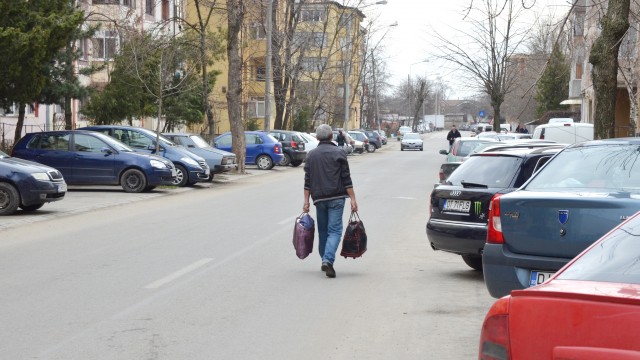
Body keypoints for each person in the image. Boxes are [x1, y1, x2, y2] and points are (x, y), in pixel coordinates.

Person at [303, 124, 358, 278]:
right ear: (332, 137)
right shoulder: (339, 152)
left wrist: (306, 202)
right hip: (337, 198)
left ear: (317, 137)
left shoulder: (311, 155)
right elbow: (346, 178)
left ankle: (325, 260)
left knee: (323, 231)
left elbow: (307, 181)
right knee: (334, 231)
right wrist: (353, 199)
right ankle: (327, 260)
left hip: (319, 199)